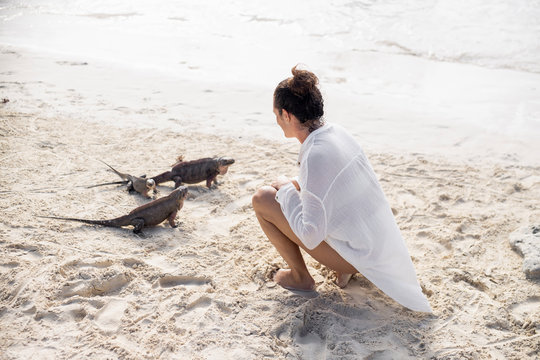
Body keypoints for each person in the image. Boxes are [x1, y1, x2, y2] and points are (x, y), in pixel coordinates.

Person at [251, 66, 431, 312]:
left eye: (276, 115)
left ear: (287, 115)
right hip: (374, 247)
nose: (276, 120)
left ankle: (300, 277)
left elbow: (310, 234)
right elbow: (330, 184)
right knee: (292, 189)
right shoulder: (336, 133)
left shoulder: (315, 153)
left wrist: (286, 191)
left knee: (263, 198)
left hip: (357, 257)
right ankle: (342, 269)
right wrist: (293, 184)